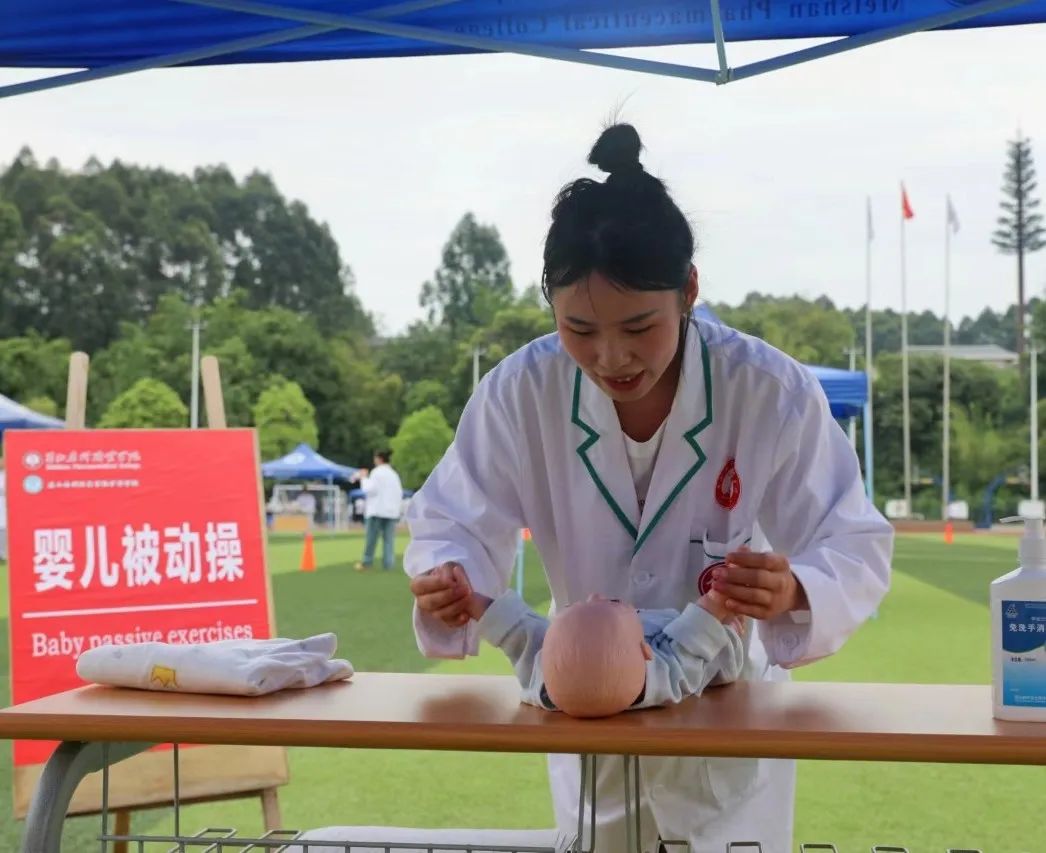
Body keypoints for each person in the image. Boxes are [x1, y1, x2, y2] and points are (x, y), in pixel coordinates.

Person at [404, 124, 893, 853]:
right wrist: (450, 578)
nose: (610, 357)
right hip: (588, 712)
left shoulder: (766, 389)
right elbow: (452, 522)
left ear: (689, 289)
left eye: (639, 325)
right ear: (551, 307)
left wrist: (792, 591)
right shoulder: (520, 393)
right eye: (579, 329)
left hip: (723, 732)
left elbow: (852, 541)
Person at [422, 562, 746, 718]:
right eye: (610, 602)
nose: (594, 593)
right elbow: (690, 641)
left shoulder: (543, 674)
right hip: (710, 650)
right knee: (715, 644)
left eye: (575, 606)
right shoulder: (667, 672)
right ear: (645, 650)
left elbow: (517, 632)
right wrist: (720, 602)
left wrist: (474, 603)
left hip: (605, 643)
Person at [355, 451, 403, 572]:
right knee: (389, 540)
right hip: (391, 512)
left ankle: (367, 562)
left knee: (371, 538)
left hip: (377, 510)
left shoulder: (376, 472)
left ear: (379, 459)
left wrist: (363, 478)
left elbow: (369, 489)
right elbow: (399, 493)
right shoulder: (394, 474)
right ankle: (388, 563)